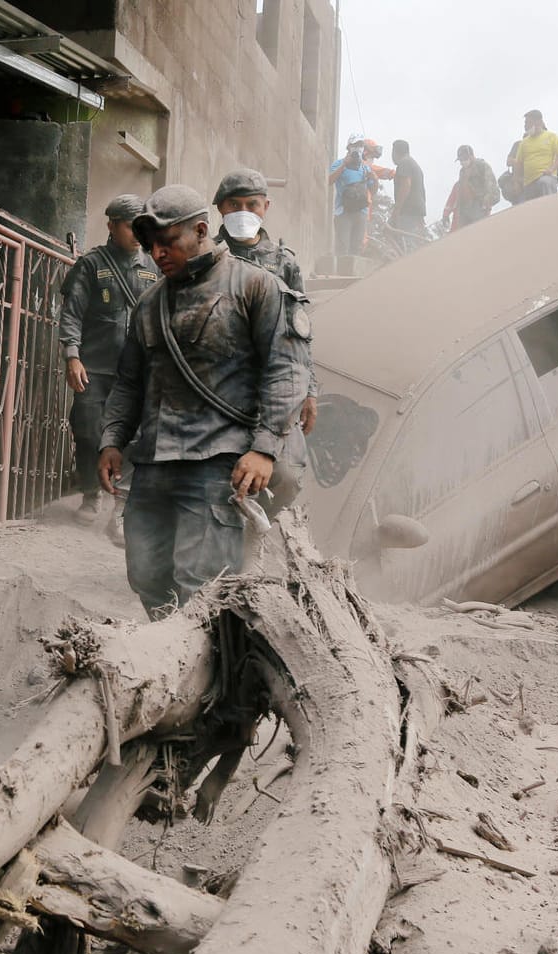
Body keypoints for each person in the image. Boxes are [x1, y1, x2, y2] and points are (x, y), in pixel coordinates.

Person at [98, 185, 308, 619]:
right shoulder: (148, 305)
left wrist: (264, 449)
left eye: (168, 242)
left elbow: (286, 372)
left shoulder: (257, 287)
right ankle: (173, 662)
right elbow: (129, 383)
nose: (157, 254)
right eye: (151, 245)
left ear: (200, 229)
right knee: (147, 575)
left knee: (201, 584)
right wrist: (112, 439)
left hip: (218, 461)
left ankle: (203, 677)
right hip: (154, 462)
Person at [212, 168, 316, 511]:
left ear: (266, 207)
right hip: (214, 381)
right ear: (220, 209)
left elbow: (300, 332)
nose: (243, 212)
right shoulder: (204, 258)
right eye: (234, 204)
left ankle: (256, 526)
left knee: (287, 476)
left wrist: (309, 390)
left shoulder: (285, 264)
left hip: (273, 382)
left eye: (252, 204)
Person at [58, 195, 158, 536]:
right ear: (112, 225)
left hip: (138, 373)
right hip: (95, 368)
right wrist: (73, 355)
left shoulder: (155, 267)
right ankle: (90, 494)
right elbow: (71, 313)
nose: (136, 233)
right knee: (87, 430)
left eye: (142, 226)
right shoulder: (91, 265)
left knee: (136, 436)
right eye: (130, 225)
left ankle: (122, 503)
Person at [328, 135, 381, 256]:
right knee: (342, 248)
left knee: (356, 249)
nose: (358, 148)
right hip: (343, 212)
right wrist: (344, 165)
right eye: (355, 145)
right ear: (349, 147)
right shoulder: (339, 164)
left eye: (361, 145)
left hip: (361, 213)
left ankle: (351, 273)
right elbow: (329, 181)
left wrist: (375, 179)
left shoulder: (365, 167)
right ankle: (342, 273)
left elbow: (373, 192)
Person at [510, 109, 558, 202]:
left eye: (528, 123)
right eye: (525, 123)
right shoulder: (524, 143)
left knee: (544, 183)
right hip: (529, 183)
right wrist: (516, 182)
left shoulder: (552, 136)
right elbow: (518, 164)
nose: (525, 126)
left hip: (547, 177)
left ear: (539, 122)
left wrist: (551, 169)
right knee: (528, 208)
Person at [447, 144, 498, 229]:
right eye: (460, 160)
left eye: (464, 158)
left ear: (471, 156)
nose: (462, 162)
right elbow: (460, 192)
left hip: (478, 206)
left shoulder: (482, 166)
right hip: (464, 209)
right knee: (464, 235)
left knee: (479, 232)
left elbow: (491, 185)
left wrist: (486, 203)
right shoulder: (462, 172)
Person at [390, 140, 427, 238]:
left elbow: (406, 185)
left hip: (408, 210)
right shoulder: (413, 163)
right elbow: (422, 190)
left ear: (395, 152)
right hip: (417, 210)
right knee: (410, 239)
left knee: (402, 239)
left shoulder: (404, 163)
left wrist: (397, 208)